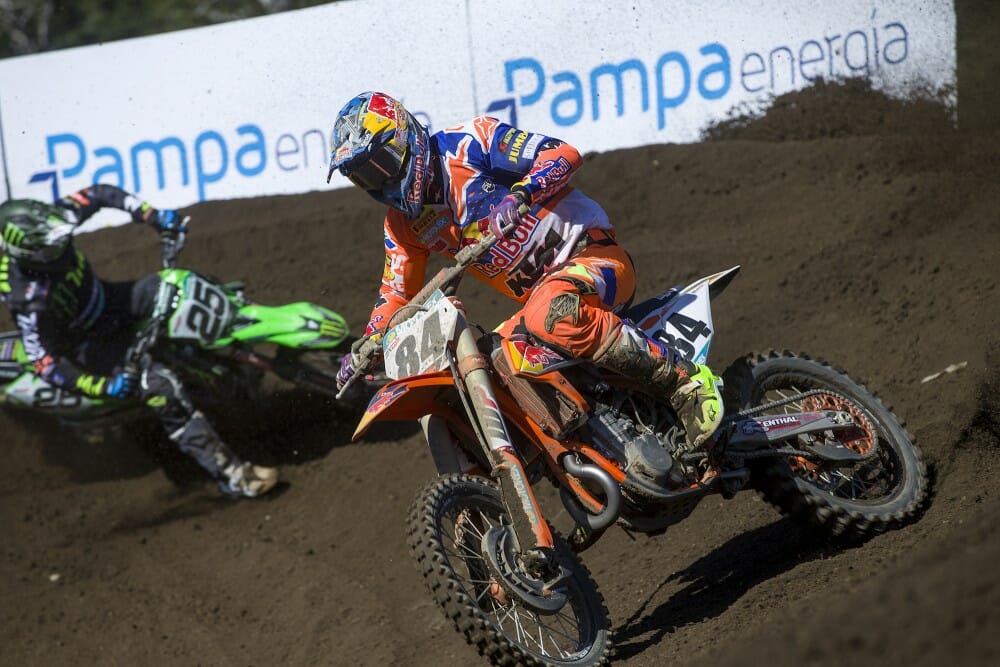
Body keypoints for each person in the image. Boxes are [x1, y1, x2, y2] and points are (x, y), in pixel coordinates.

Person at [327, 92, 723, 452]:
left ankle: (685, 381)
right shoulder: (402, 225)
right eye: (365, 176)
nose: (380, 181)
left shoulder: (469, 143)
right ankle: (590, 451)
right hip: (542, 302)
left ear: (405, 138)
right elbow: (396, 294)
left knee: (549, 312)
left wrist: (522, 194)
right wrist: (368, 344)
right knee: (488, 362)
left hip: (594, 258)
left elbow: (562, 153)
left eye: (381, 164)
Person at [0, 185, 277, 498]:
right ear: (26, 255)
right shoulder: (27, 298)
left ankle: (245, 354)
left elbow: (101, 193)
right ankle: (233, 476)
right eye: (50, 249)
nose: (60, 247)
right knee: (158, 385)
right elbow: (45, 362)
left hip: (109, 302)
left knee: (184, 285)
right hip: (87, 346)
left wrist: (152, 215)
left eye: (61, 239)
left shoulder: (56, 217)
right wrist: (102, 386)